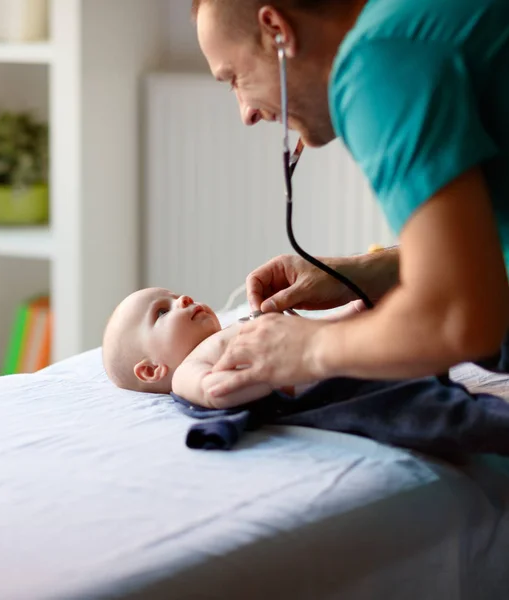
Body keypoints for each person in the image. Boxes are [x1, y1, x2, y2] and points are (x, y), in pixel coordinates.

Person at [191, 0, 509, 402]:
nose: (247, 113)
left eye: (235, 77)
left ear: (276, 31)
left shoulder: (379, 61)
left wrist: (307, 348)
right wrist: (371, 272)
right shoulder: (420, 19)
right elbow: (477, 261)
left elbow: (458, 318)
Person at [102, 287, 358, 407]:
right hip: (310, 372)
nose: (183, 299)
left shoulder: (231, 330)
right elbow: (214, 391)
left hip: (324, 348)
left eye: (174, 295)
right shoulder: (186, 372)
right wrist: (268, 377)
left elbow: (309, 332)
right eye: (161, 312)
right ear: (152, 369)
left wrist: (350, 313)